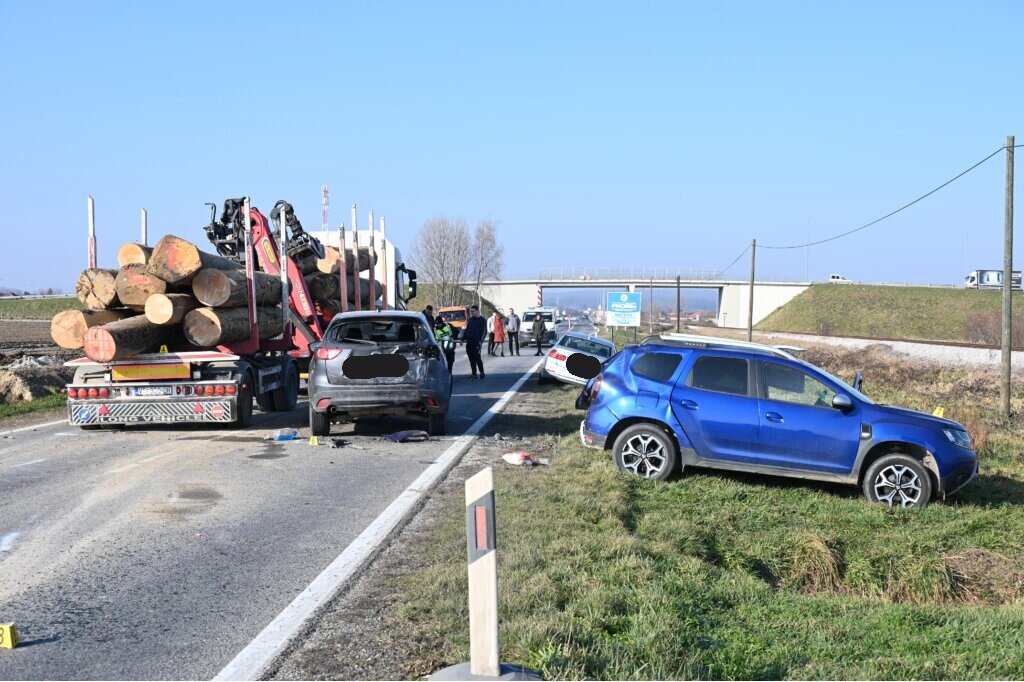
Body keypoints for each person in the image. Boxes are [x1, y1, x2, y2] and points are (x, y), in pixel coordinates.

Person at [460, 305, 486, 379]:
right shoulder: (470, 320)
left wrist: (481, 341)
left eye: (473, 311)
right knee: (471, 359)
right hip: (469, 342)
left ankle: (482, 372)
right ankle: (474, 374)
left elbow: (484, 332)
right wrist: (462, 339)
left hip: (477, 342)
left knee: (477, 358)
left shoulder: (482, 320)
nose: (471, 313)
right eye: (471, 311)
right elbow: (467, 330)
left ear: (477, 311)